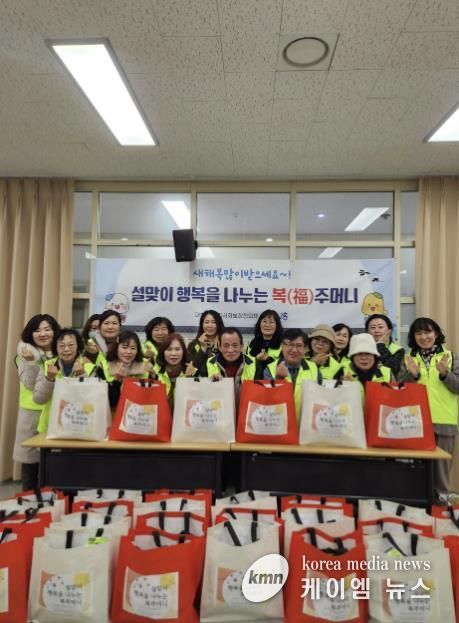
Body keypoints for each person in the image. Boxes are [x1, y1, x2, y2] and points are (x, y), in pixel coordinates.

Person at [401, 317, 459, 497]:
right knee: (415, 471)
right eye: (418, 333)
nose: (424, 337)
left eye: (428, 332)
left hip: (444, 422)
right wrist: (413, 376)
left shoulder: (451, 357)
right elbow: (399, 390)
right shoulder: (408, 358)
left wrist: (445, 374)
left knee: (441, 474)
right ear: (413, 337)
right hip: (414, 423)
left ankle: (440, 507)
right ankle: (417, 508)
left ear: (436, 333)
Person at [13, 313, 61, 490]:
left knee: (53, 467)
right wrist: (31, 361)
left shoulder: (61, 353)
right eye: (37, 330)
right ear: (30, 334)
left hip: (55, 414)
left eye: (47, 329)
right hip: (31, 416)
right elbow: (29, 383)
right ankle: (28, 500)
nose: (43, 334)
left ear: (55, 332)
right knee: (30, 466)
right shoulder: (23, 355)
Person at [33, 328, 95, 433]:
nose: (66, 349)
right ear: (55, 348)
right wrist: (49, 379)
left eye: (71, 345)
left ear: (78, 346)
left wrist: (81, 375)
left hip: (79, 425)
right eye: (61, 346)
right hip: (50, 427)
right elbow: (39, 399)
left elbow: (92, 400)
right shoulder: (47, 365)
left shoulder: (89, 367)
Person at [264, 328, 319, 420]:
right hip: (278, 422)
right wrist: (279, 379)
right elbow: (267, 400)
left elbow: (319, 400)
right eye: (290, 345)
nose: (294, 350)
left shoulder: (314, 369)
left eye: (299, 346)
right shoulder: (270, 369)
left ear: (306, 348)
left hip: (304, 425)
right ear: (282, 346)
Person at [96, 330, 151, 407]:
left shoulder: (145, 365)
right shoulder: (104, 365)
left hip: (140, 411)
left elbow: (151, 396)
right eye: (124, 347)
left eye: (133, 348)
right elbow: (108, 401)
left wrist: (153, 376)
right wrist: (117, 381)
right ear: (116, 347)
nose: (128, 352)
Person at [203, 327, 257, 405]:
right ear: (219, 347)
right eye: (226, 346)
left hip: (245, 410)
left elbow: (259, 395)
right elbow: (203, 395)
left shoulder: (254, 364)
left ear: (241, 347)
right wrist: (211, 384)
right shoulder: (208, 364)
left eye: (235, 345)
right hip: (219, 410)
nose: (230, 350)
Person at [338, 333, 392, 398]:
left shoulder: (387, 373)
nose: (364, 358)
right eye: (359, 354)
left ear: (374, 356)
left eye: (368, 353)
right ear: (352, 357)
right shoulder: (342, 373)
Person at [155, 333, 196, 406]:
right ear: (163, 352)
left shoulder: (194, 372)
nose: (173, 353)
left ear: (183, 351)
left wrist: (189, 378)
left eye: (177, 349)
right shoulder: (154, 372)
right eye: (169, 349)